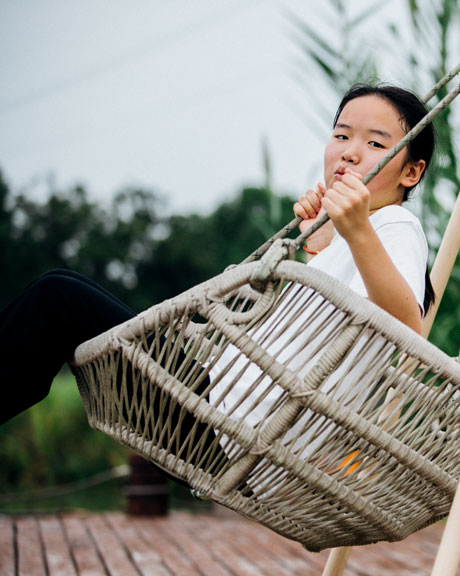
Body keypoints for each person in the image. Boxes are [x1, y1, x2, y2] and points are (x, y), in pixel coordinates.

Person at [0, 82, 436, 427]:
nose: (349, 152)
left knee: (58, 298)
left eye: (376, 145)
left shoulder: (395, 224)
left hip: (230, 421)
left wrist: (356, 231)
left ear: (412, 172)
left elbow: (406, 331)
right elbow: (321, 331)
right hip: (224, 405)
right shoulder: (355, 238)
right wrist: (320, 247)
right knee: (63, 290)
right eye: (341, 135)